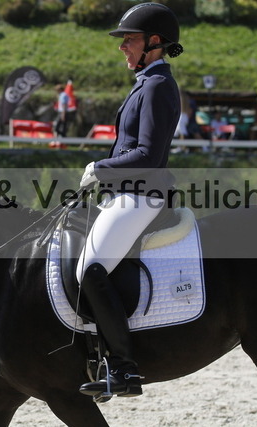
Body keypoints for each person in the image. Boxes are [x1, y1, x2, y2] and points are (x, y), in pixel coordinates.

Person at [76, 2, 183, 398]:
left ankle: (123, 368)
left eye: (129, 40)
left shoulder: (157, 86)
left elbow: (148, 156)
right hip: (126, 192)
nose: (122, 46)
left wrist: (101, 168)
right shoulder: (147, 82)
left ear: (154, 42)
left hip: (142, 195)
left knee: (90, 270)